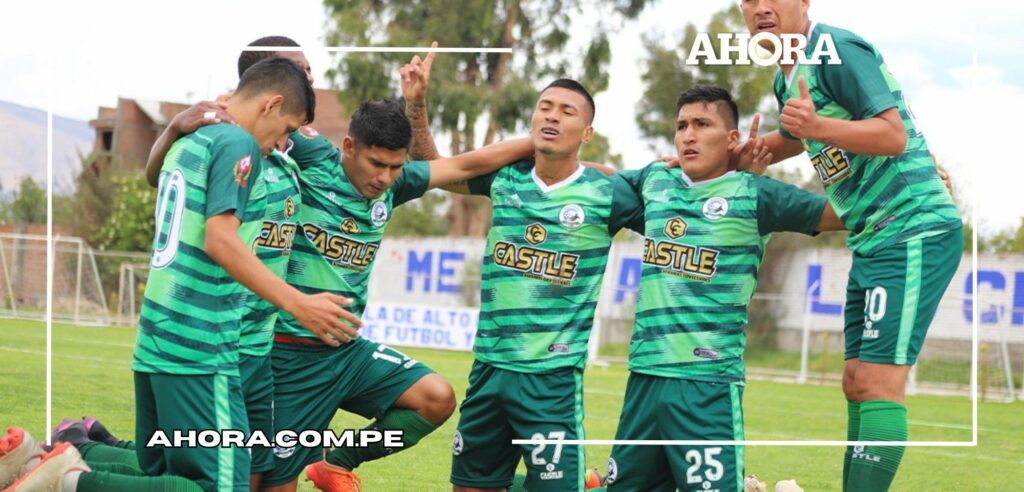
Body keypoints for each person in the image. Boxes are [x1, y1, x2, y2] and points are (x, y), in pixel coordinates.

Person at [739, 2, 963, 490]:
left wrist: (817, 127)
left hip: (912, 228)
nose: (760, 8)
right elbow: (795, 135)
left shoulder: (836, 48)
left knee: (878, 383)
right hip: (872, 238)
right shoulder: (786, 77)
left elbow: (893, 134)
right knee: (856, 381)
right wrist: (736, 156)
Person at [600, 85, 844, 492]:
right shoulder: (656, 180)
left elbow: (840, 214)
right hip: (645, 377)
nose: (689, 135)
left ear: (732, 139)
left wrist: (910, 187)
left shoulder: (754, 194)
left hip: (707, 383)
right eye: (682, 126)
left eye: (702, 124)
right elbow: (587, 182)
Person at [444, 78, 644, 492]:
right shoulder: (504, 178)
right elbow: (439, 168)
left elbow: (674, 214)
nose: (553, 116)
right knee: (470, 486)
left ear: (586, 133)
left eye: (567, 112)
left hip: (550, 380)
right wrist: (416, 106)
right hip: (490, 368)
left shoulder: (608, 193)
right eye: (545, 107)